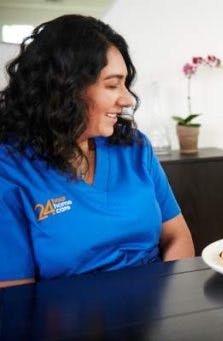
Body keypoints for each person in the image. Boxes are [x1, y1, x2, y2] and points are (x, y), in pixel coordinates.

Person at [0, 15, 194, 288]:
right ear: (66, 88)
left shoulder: (134, 147)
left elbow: (177, 237)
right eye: (112, 85)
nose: (127, 99)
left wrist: (172, 305)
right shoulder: (9, 169)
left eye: (125, 84)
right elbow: (15, 300)